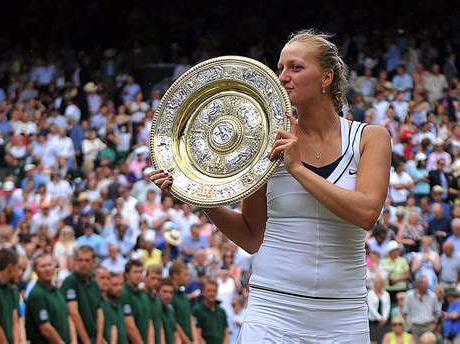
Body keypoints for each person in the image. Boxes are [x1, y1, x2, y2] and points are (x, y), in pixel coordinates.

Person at [151, 29, 391, 342]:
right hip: (271, 310)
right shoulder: (263, 141)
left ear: (326, 77)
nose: (283, 76)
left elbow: (366, 213)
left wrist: (297, 169)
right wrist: (196, 195)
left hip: (343, 316)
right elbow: (251, 237)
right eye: (281, 68)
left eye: (296, 67)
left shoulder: (370, 138)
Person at [25, 252, 75, 343]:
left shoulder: (57, 290)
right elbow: (45, 328)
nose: (47, 269)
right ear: (35, 270)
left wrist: (74, 341)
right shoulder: (37, 294)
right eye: (43, 266)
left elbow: (68, 317)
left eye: (50, 265)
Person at [61, 245, 104, 344]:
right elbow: (73, 313)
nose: (83, 264)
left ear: (93, 262)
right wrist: (87, 342)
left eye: (87, 260)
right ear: (76, 261)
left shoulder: (93, 283)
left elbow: (100, 313)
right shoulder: (70, 281)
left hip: (94, 337)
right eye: (80, 260)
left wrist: (99, 339)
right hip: (78, 339)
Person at [121, 259, 154, 344]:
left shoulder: (144, 294)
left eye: (140, 272)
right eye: (135, 272)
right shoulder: (124, 293)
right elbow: (130, 327)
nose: (139, 275)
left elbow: (149, 322)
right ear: (127, 275)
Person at [192, 279, 230, 344]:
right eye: (209, 291)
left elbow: (226, 333)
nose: (212, 293)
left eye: (214, 290)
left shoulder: (221, 311)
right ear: (203, 292)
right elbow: (197, 335)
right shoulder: (197, 310)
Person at [169, 260, 198, 343]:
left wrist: (195, 340)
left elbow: (190, 318)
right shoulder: (170, 296)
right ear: (175, 275)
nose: (188, 277)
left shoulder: (183, 295)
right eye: (185, 275)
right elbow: (175, 323)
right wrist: (187, 341)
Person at [404, 276, 439, 343]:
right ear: (419, 284)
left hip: (429, 326)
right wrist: (408, 324)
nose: (427, 285)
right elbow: (405, 312)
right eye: (424, 283)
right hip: (415, 326)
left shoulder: (433, 296)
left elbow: (436, 312)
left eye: (427, 283)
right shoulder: (409, 295)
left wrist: (434, 324)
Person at [95, 267, 117, 344]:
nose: (106, 281)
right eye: (102, 278)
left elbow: (113, 326)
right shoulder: (93, 300)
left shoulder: (107, 301)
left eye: (108, 278)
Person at [143, 265, 164, 344]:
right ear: (145, 277)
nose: (156, 282)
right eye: (153, 278)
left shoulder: (157, 299)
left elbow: (160, 323)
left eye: (159, 279)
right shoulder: (141, 296)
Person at [107, 272, 128, 344]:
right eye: (115, 285)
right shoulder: (104, 305)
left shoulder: (119, 303)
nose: (119, 288)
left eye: (121, 285)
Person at [158, 278, 179, 344]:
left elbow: (175, 332)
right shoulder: (155, 310)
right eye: (165, 291)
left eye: (171, 292)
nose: (168, 295)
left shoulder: (170, 310)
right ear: (157, 291)